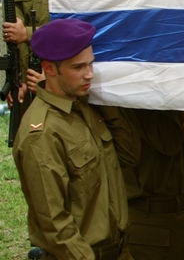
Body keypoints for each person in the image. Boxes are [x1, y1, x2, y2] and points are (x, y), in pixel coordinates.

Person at [13, 19, 132, 259]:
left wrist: (106, 104)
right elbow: (55, 225)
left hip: (118, 249)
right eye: (78, 67)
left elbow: (130, 155)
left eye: (91, 64)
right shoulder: (42, 133)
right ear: (49, 69)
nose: (89, 74)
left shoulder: (85, 108)